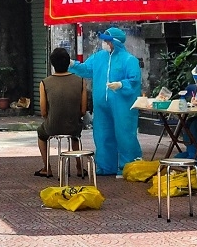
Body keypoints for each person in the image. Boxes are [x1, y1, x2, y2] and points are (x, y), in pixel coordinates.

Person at [69, 27, 142, 175]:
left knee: (125, 135)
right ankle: (105, 166)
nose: (104, 43)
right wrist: (72, 64)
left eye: (107, 41)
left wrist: (121, 84)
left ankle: (128, 167)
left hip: (123, 105)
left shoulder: (129, 60)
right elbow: (86, 70)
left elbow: (134, 81)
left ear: (115, 42)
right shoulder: (98, 57)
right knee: (102, 135)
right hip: (101, 105)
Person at [36, 48, 87, 177]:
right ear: (68, 62)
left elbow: (43, 111)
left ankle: (47, 167)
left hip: (52, 126)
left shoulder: (44, 83)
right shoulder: (81, 81)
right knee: (75, 135)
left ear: (52, 64)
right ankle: (80, 167)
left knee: (41, 133)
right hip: (73, 126)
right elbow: (83, 110)